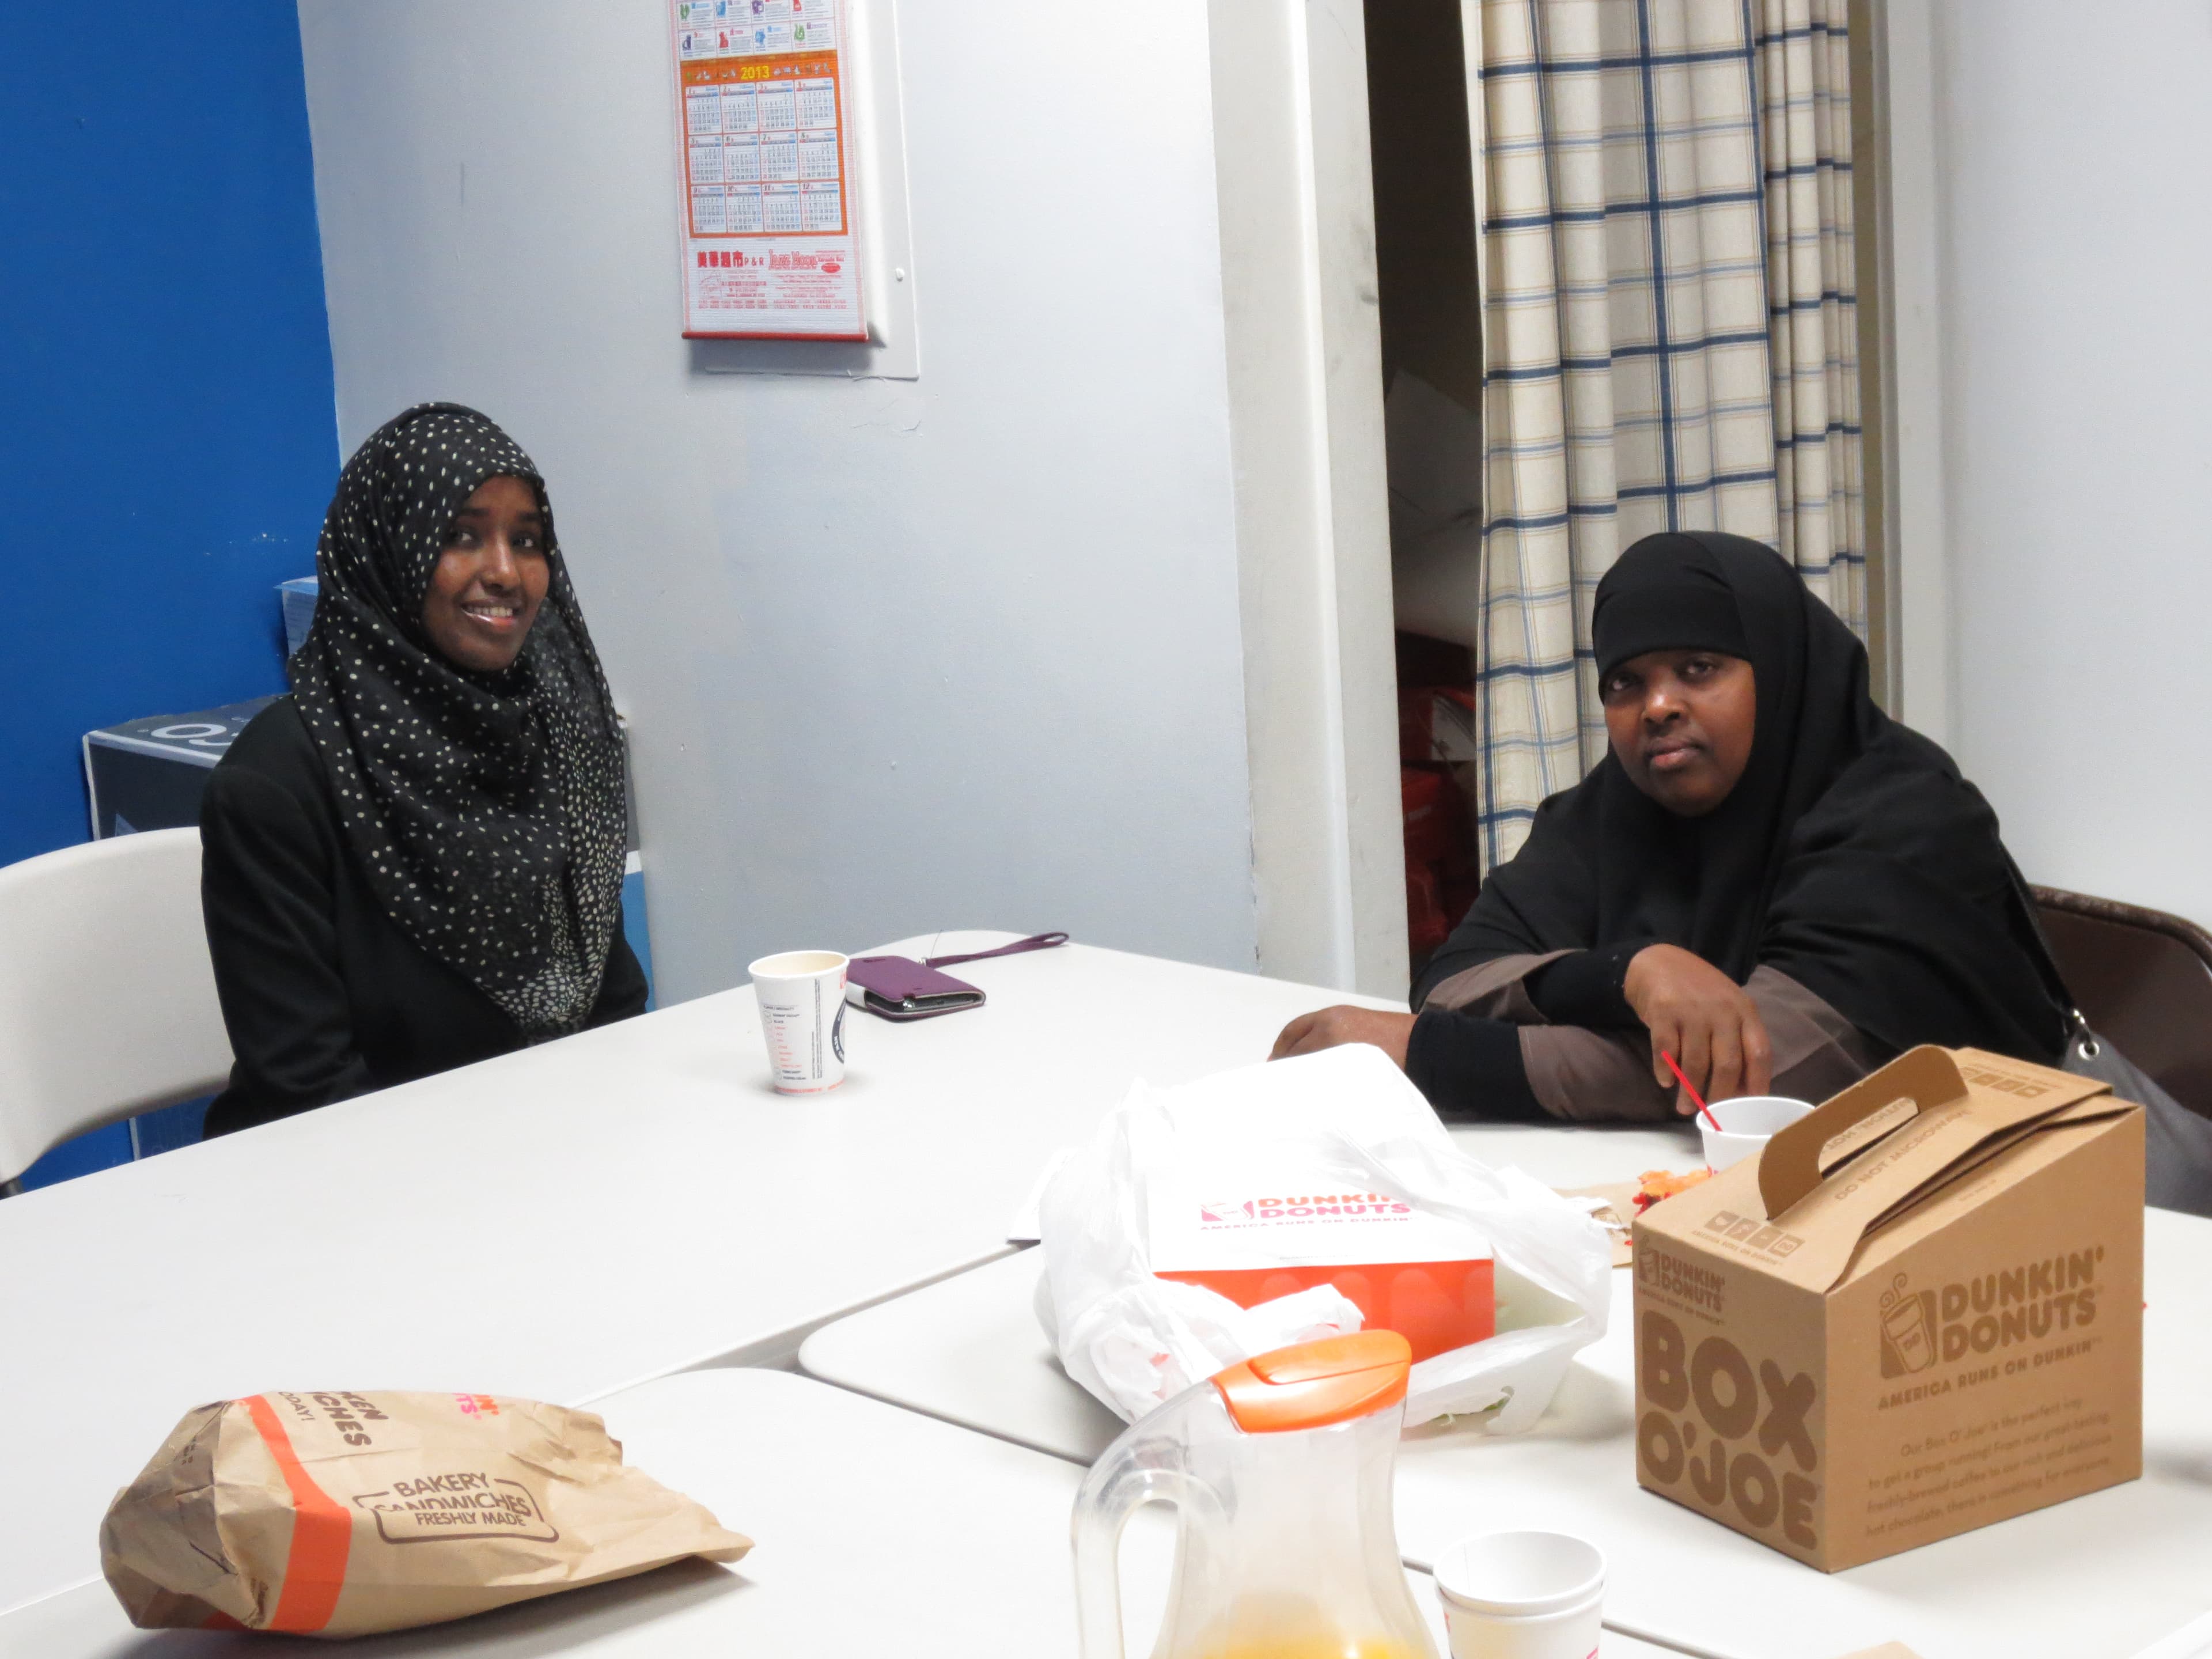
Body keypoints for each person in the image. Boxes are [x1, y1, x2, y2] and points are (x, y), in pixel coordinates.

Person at [1272, 530, 2071, 1123]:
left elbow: (1748, 1076)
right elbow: (1456, 979)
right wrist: (1631, 972)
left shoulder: (1909, 823)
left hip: (2019, 1241)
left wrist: (1424, 1053)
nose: (1656, 706)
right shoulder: (1612, 814)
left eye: (1699, 668)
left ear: (1783, 672)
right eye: (1626, 683)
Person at [198, 403, 646, 1136]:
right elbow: (307, 1095)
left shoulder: (554, 732)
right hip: (351, 1181)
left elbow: (615, 1003)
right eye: (461, 536)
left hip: (556, 1145)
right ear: (388, 550)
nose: (505, 572)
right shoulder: (276, 786)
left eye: (527, 539)